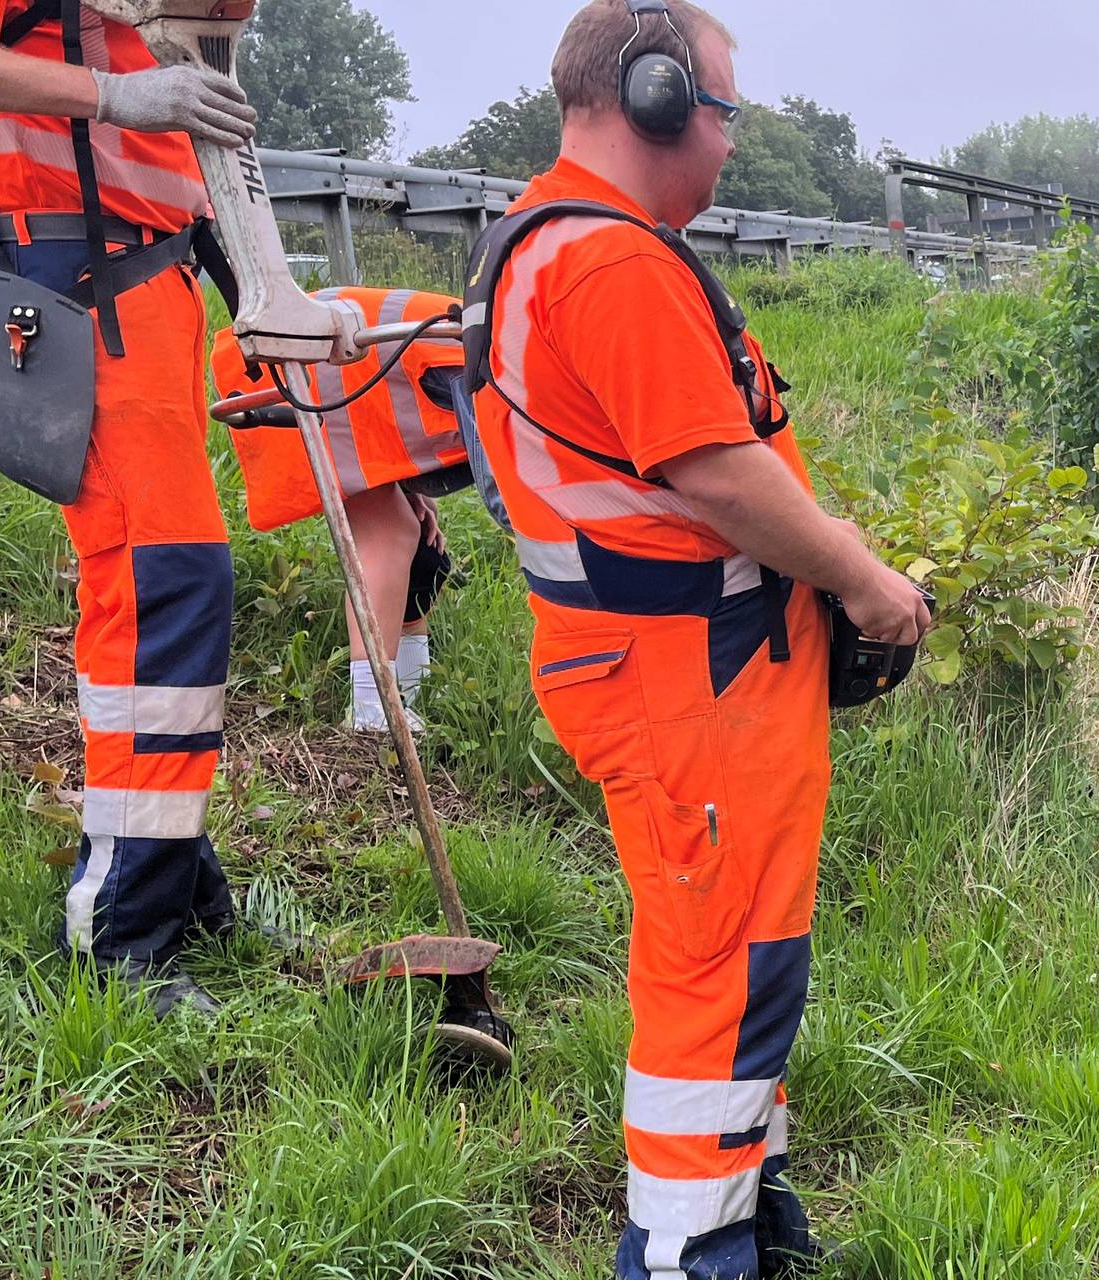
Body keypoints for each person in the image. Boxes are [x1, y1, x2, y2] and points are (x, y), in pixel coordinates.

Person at [461, 3, 930, 1275]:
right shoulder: (610, 264)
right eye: (719, 110)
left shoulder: (555, 238)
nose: (725, 141)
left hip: (679, 664)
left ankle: (746, 1203)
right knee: (718, 971)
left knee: (739, 955)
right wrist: (867, 581)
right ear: (657, 99)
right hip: (687, 679)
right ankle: (684, 1249)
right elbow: (716, 472)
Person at [0, 0, 279, 1015]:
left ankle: (176, 880)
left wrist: (259, 290)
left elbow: (170, 154)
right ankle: (122, 933)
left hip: (152, 285)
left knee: (149, 599)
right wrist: (115, 94)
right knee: (164, 588)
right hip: (76, 288)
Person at [211, 287, 469, 732]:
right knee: (388, 534)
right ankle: (374, 714)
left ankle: (408, 696)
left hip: (340, 351)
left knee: (414, 537)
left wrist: (406, 481)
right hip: (327, 360)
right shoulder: (524, 367)